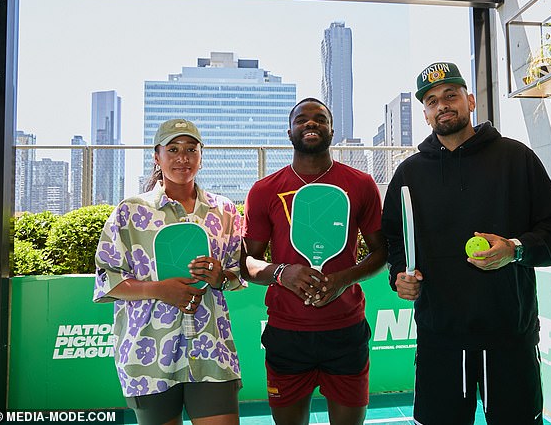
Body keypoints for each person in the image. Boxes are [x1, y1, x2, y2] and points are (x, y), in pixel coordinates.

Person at [381, 62, 551, 425]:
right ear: (425, 115)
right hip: (440, 339)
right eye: (432, 100)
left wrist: (515, 249)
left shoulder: (516, 158)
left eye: (451, 95)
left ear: (470, 101)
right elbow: (394, 238)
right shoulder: (409, 174)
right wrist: (398, 274)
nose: (442, 105)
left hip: (509, 338)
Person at [241, 98, 387, 425]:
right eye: (302, 119)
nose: (311, 124)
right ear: (289, 130)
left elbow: (381, 253)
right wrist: (281, 273)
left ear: (331, 130)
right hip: (286, 335)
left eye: (320, 119)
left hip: (345, 333)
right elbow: (246, 263)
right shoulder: (264, 190)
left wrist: (343, 279)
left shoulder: (361, 185)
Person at [93, 118, 245, 425]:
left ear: (201, 155)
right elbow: (107, 280)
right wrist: (158, 289)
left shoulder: (225, 210)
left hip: (211, 351)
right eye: (173, 149)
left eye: (191, 149)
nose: (182, 157)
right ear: (156, 156)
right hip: (147, 355)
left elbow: (236, 272)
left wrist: (220, 277)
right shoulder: (130, 210)